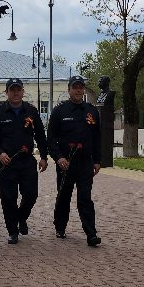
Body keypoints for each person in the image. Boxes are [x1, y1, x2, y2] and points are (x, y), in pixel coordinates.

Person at [0, 77, 48, 245]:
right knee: (8, 198)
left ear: (23, 91)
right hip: (6, 162)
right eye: (12, 90)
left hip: (27, 160)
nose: (15, 93)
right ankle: (12, 230)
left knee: (31, 195)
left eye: (18, 89)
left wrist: (43, 156)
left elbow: (41, 136)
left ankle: (21, 217)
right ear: (6, 92)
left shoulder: (31, 111)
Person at [47, 74, 102, 246]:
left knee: (85, 198)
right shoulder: (59, 111)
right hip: (65, 163)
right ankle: (60, 226)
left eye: (81, 87)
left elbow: (97, 137)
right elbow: (51, 139)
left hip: (85, 162)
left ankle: (91, 234)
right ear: (69, 90)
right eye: (75, 87)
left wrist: (97, 160)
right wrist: (58, 158)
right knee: (64, 196)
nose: (78, 90)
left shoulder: (91, 111)